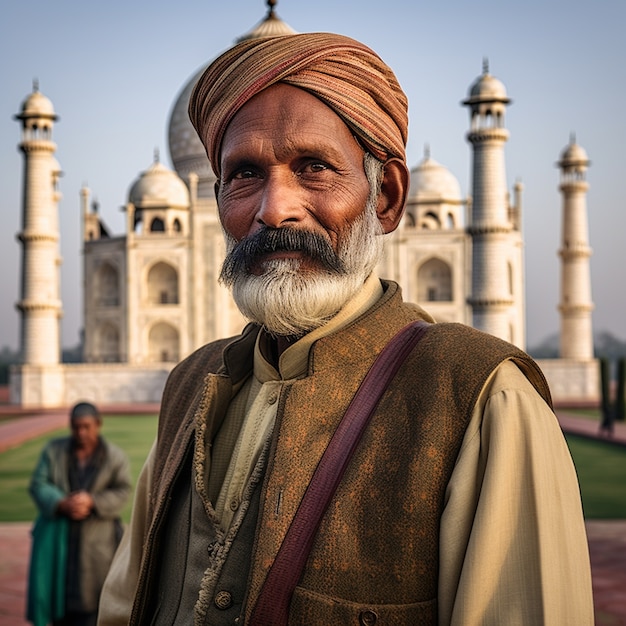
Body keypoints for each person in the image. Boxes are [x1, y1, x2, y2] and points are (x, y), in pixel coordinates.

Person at [98, 33, 594, 625]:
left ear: (386, 198)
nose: (274, 208)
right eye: (246, 174)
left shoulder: (481, 398)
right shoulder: (192, 388)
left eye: (314, 167)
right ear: (215, 200)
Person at [27, 402, 131, 626]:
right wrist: (62, 503)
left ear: (98, 424)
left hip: (99, 541)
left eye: (86, 427)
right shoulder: (54, 451)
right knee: (56, 600)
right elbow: (38, 483)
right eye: (76, 427)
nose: (81, 433)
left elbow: (123, 490)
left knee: (95, 601)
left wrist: (92, 501)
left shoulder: (114, 457)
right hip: (58, 541)